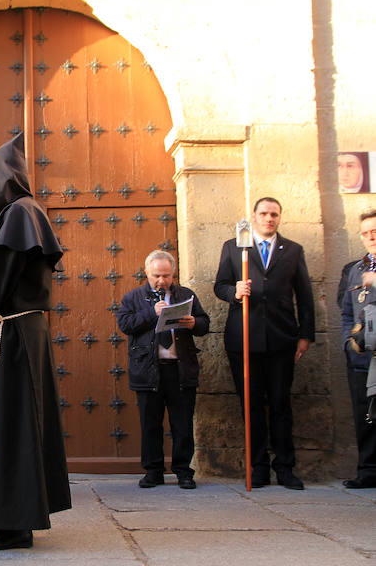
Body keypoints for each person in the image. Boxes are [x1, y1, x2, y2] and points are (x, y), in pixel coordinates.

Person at [0, 133, 71, 552]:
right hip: (22, 332)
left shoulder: (17, 215)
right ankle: (6, 517)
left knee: (11, 427)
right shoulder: (27, 212)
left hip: (12, 335)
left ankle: (15, 525)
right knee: (10, 426)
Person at [214, 197, 314, 490]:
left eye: (274, 214)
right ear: (254, 216)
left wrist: (305, 335)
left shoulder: (293, 250)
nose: (269, 218)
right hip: (244, 337)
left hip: (282, 338)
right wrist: (235, 290)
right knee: (251, 404)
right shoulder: (234, 247)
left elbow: (305, 296)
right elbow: (219, 285)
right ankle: (258, 467)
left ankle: (285, 467)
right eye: (264, 213)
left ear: (279, 217)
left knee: (281, 404)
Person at [117, 250, 210, 490]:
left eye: (166, 276)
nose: (162, 281)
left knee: (182, 423)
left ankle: (183, 471)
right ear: (146, 272)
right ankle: (153, 471)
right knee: (150, 423)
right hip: (149, 371)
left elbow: (204, 324)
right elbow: (125, 324)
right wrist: (152, 313)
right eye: (157, 275)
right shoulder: (133, 297)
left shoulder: (186, 295)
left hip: (179, 370)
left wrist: (194, 323)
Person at [338, 209, 376, 488]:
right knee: (366, 416)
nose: (371, 236)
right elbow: (347, 313)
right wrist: (348, 343)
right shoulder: (356, 270)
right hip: (363, 357)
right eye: (365, 232)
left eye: (375, 230)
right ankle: (368, 471)